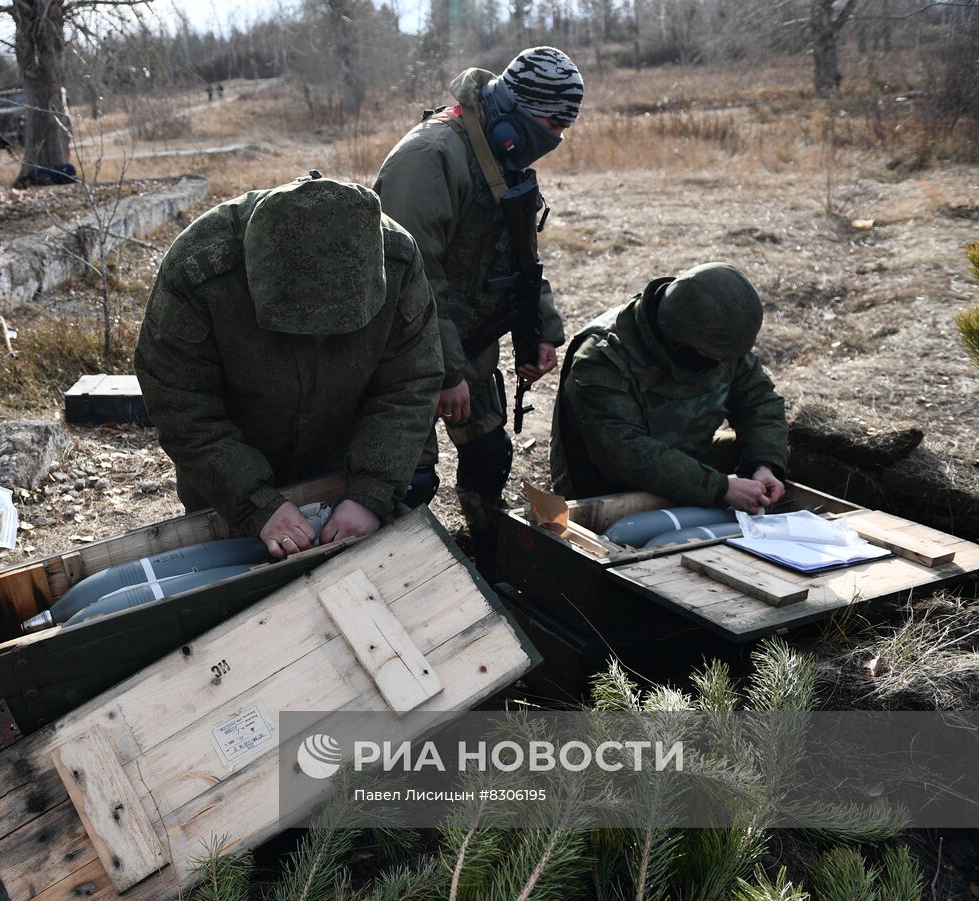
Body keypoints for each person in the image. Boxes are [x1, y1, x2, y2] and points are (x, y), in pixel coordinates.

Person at [134, 174, 442, 557]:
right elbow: (180, 404)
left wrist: (371, 492)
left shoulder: (396, 260)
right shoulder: (199, 271)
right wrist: (253, 501)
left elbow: (410, 383)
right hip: (228, 471)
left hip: (342, 466)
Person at [374, 46, 582, 577]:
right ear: (514, 109)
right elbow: (412, 275)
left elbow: (519, 255)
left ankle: (488, 574)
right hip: (404, 352)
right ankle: (402, 583)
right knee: (408, 483)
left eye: (564, 128)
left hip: (467, 346)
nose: (554, 140)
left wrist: (542, 333)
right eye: (551, 124)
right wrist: (447, 372)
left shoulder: (503, 157)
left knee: (490, 458)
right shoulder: (430, 156)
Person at [550, 262, 789, 514]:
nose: (721, 363)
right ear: (676, 338)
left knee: (765, 446)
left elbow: (759, 401)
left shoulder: (718, 338)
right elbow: (623, 454)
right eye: (710, 355)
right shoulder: (603, 356)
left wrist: (764, 464)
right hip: (610, 489)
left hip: (691, 464)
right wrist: (720, 488)